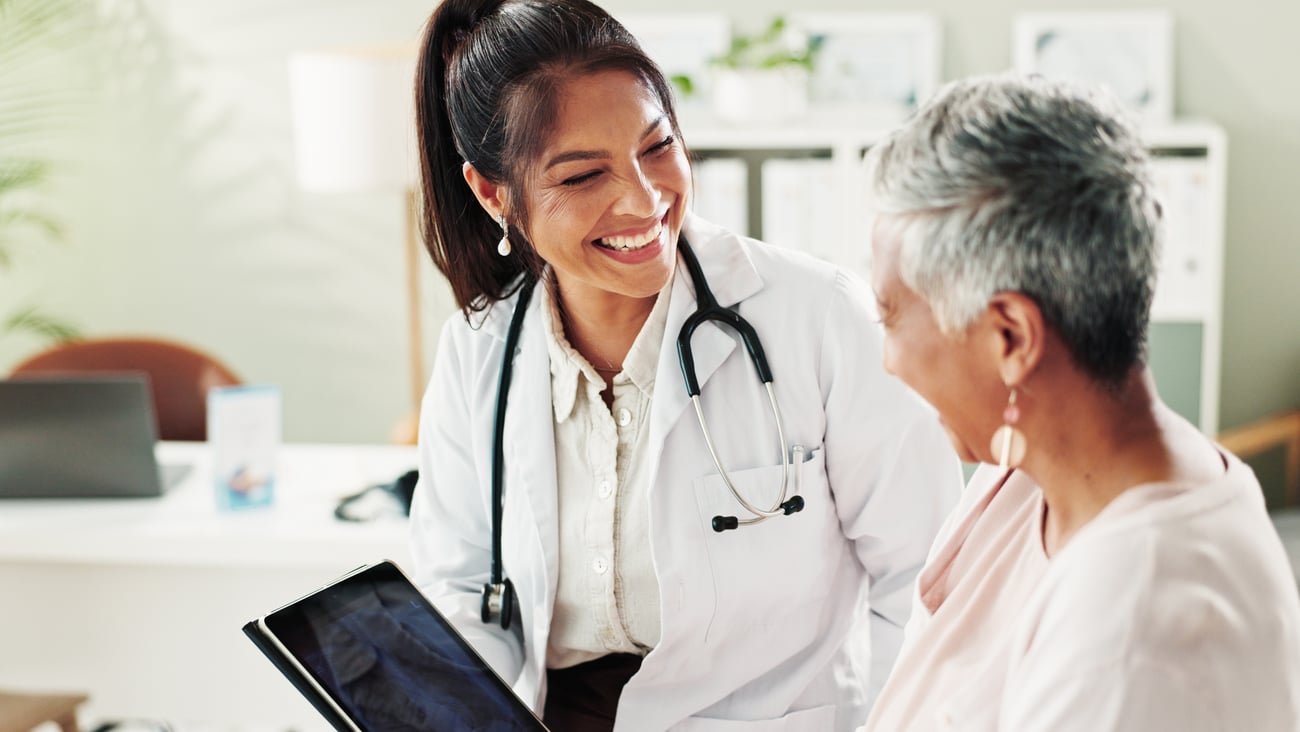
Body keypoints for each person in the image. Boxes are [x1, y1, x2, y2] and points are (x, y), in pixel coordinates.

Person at [405, 1, 962, 730]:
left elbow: (931, 579)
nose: (643, 199)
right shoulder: (479, 349)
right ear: (492, 192)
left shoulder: (820, 318)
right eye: (582, 177)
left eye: (657, 146)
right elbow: (460, 585)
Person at [860, 73, 1300, 731]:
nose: (886, 358)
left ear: (1009, 336)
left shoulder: (1136, 632)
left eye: (889, 316)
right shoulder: (1030, 467)